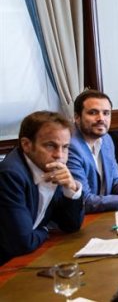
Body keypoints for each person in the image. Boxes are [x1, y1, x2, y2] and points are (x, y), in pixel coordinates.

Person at [0, 111, 84, 265]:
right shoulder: (10, 175)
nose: (59, 155)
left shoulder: (51, 167)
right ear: (26, 144)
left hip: (26, 258)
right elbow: (22, 243)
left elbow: (71, 225)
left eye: (65, 147)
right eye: (50, 145)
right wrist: (45, 230)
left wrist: (70, 188)